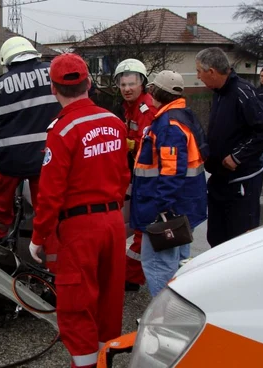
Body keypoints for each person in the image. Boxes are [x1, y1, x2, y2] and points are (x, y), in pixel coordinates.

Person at [30, 53, 130, 368]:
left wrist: (39, 235)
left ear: (53, 89)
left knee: (76, 306)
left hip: (80, 229)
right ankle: (104, 360)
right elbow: (123, 176)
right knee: (109, 301)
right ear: (89, 83)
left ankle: (86, 365)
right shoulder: (115, 122)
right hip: (113, 223)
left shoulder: (61, 130)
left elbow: (50, 193)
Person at [130, 70, 208, 297]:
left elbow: (172, 172)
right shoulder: (185, 116)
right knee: (179, 262)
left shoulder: (168, 125)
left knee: (157, 265)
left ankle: (164, 318)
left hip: (167, 210)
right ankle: (180, 313)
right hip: (184, 207)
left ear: (156, 92)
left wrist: (161, 210)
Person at [0, 36, 61, 242]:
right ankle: (48, 246)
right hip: (45, 157)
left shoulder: (0, 84)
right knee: (45, 205)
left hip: (11, 159)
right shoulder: (53, 72)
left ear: (7, 60)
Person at [195, 47, 263, 248]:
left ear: (212, 72)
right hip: (220, 180)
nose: (198, 77)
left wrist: (237, 156)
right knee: (216, 239)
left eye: (199, 71)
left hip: (241, 182)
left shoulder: (242, 91)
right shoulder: (219, 93)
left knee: (238, 242)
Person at [113, 58, 158, 292]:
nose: (127, 88)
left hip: (148, 176)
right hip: (137, 172)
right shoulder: (130, 107)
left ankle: (132, 277)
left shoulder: (145, 109)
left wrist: (129, 144)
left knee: (141, 226)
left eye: (131, 84)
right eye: (123, 85)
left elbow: (148, 144)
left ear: (142, 84)